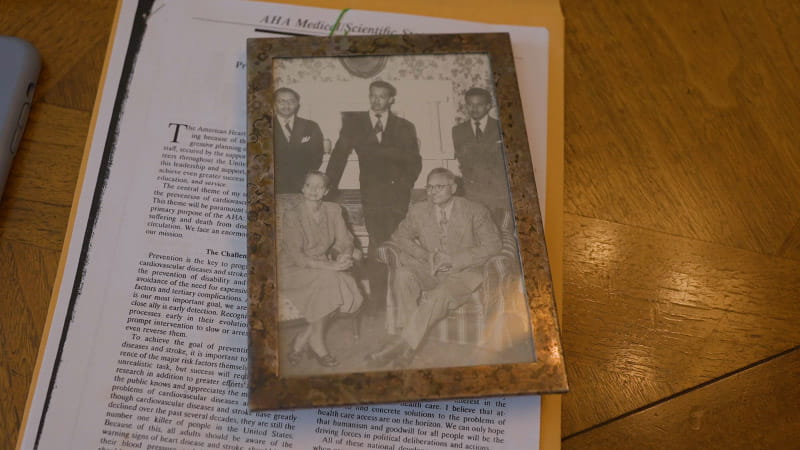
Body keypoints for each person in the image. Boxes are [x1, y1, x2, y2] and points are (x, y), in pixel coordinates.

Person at [365, 168, 501, 368]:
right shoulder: (418, 210)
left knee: (440, 294)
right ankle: (410, 344)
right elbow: (399, 237)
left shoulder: (475, 210)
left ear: (453, 188)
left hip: (463, 273)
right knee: (403, 275)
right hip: (430, 269)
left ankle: (402, 346)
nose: (432, 192)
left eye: (439, 187)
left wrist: (454, 259)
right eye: (429, 187)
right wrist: (426, 256)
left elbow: (493, 244)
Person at [326, 80, 422, 312]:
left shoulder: (405, 126)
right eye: (373, 96)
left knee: (398, 243)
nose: (377, 101)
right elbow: (339, 156)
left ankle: (401, 299)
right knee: (377, 242)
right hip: (372, 195)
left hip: (397, 195)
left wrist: (403, 185)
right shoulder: (354, 123)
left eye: (382, 97)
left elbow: (414, 161)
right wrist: (327, 186)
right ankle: (378, 302)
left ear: (391, 100)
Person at [278, 171, 363, 367]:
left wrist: (345, 255)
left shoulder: (334, 210)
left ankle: (302, 338)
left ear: (326, 191)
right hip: (291, 268)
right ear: (302, 188)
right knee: (333, 281)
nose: (313, 190)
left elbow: (345, 240)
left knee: (343, 284)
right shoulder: (292, 215)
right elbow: (296, 256)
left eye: (319, 187)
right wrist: (331, 266)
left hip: (322, 267)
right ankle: (317, 343)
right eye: (309, 185)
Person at [451, 87, 510, 212]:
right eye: (470, 105)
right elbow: (463, 160)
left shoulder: (501, 127)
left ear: (488, 106)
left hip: (498, 192)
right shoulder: (457, 131)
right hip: (472, 192)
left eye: (479, 105)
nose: (474, 109)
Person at [273, 87, 324, 194]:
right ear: (274, 104)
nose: (286, 105)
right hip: (273, 185)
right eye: (281, 101)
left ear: (297, 105)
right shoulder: (262, 126)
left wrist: (305, 180)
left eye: (291, 101)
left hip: (302, 185)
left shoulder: (311, 126)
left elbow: (317, 156)